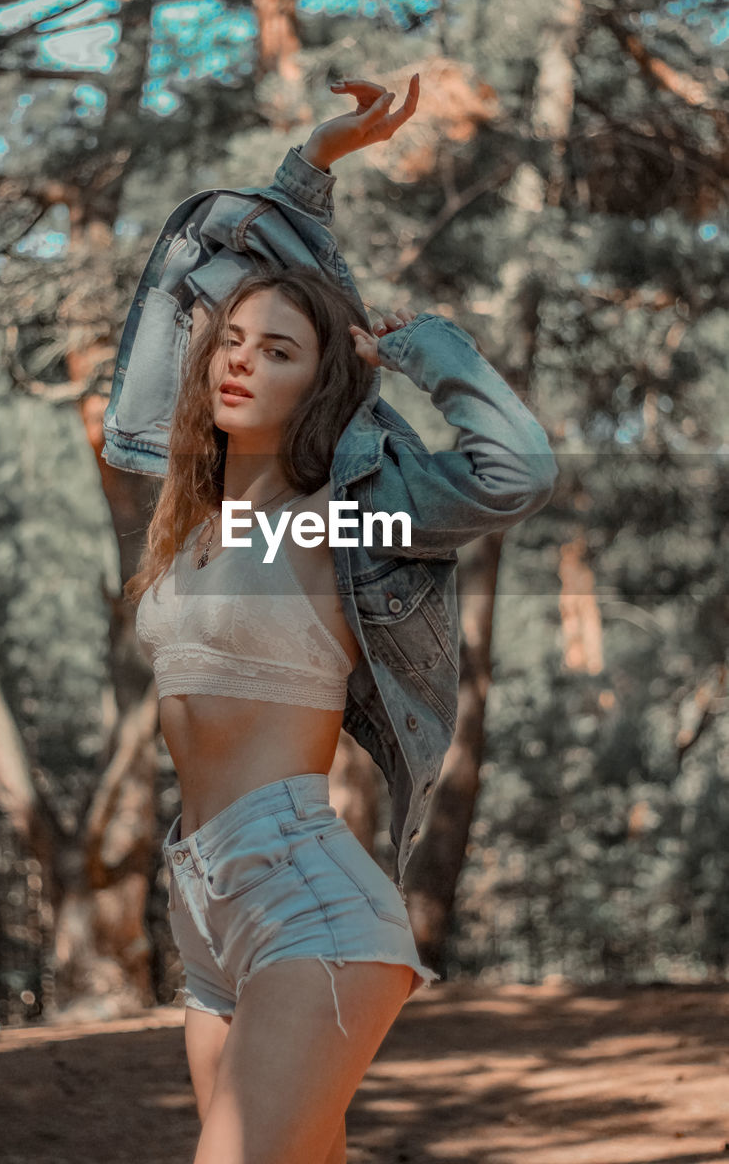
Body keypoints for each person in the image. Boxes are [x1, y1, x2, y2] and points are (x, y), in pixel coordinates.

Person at [114, 78, 558, 1164]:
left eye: (279, 351)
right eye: (233, 340)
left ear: (321, 383)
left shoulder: (341, 519)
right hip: (204, 905)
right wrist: (309, 159)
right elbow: (215, 261)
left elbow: (519, 469)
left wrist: (417, 347)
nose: (240, 359)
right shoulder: (196, 513)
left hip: (306, 898)